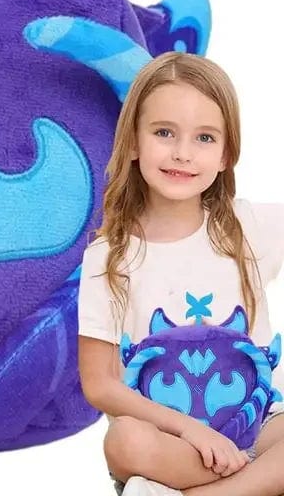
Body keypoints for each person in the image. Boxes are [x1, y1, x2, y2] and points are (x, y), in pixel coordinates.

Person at [77, 51, 284, 496]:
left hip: (261, 430)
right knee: (123, 440)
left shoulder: (249, 228)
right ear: (134, 141)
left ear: (227, 154)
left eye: (204, 138)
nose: (182, 153)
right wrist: (192, 430)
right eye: (164, 132)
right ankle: (256, 486)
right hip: (170, 444)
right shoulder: (108, 257)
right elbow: (99, 385)